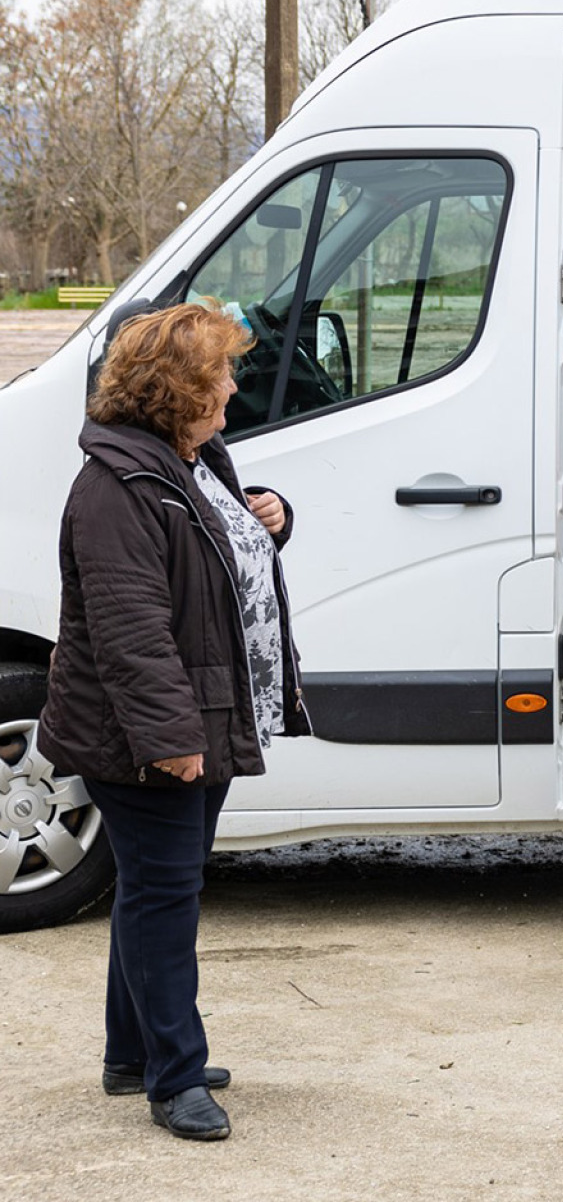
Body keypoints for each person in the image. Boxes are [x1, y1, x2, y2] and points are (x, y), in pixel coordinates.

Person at [38, 304, 305, 1143]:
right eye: (220, 373)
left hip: (207, 708)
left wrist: (272, 515)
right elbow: (130, 628)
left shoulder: (192, 457)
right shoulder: (117, 486)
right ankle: (174, 1077)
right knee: (165, 897)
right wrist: (171, 739)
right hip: (153, 734)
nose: (233, 384)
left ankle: (132, 1054)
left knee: (157, 887)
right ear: (175, 390)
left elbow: (219, 558)